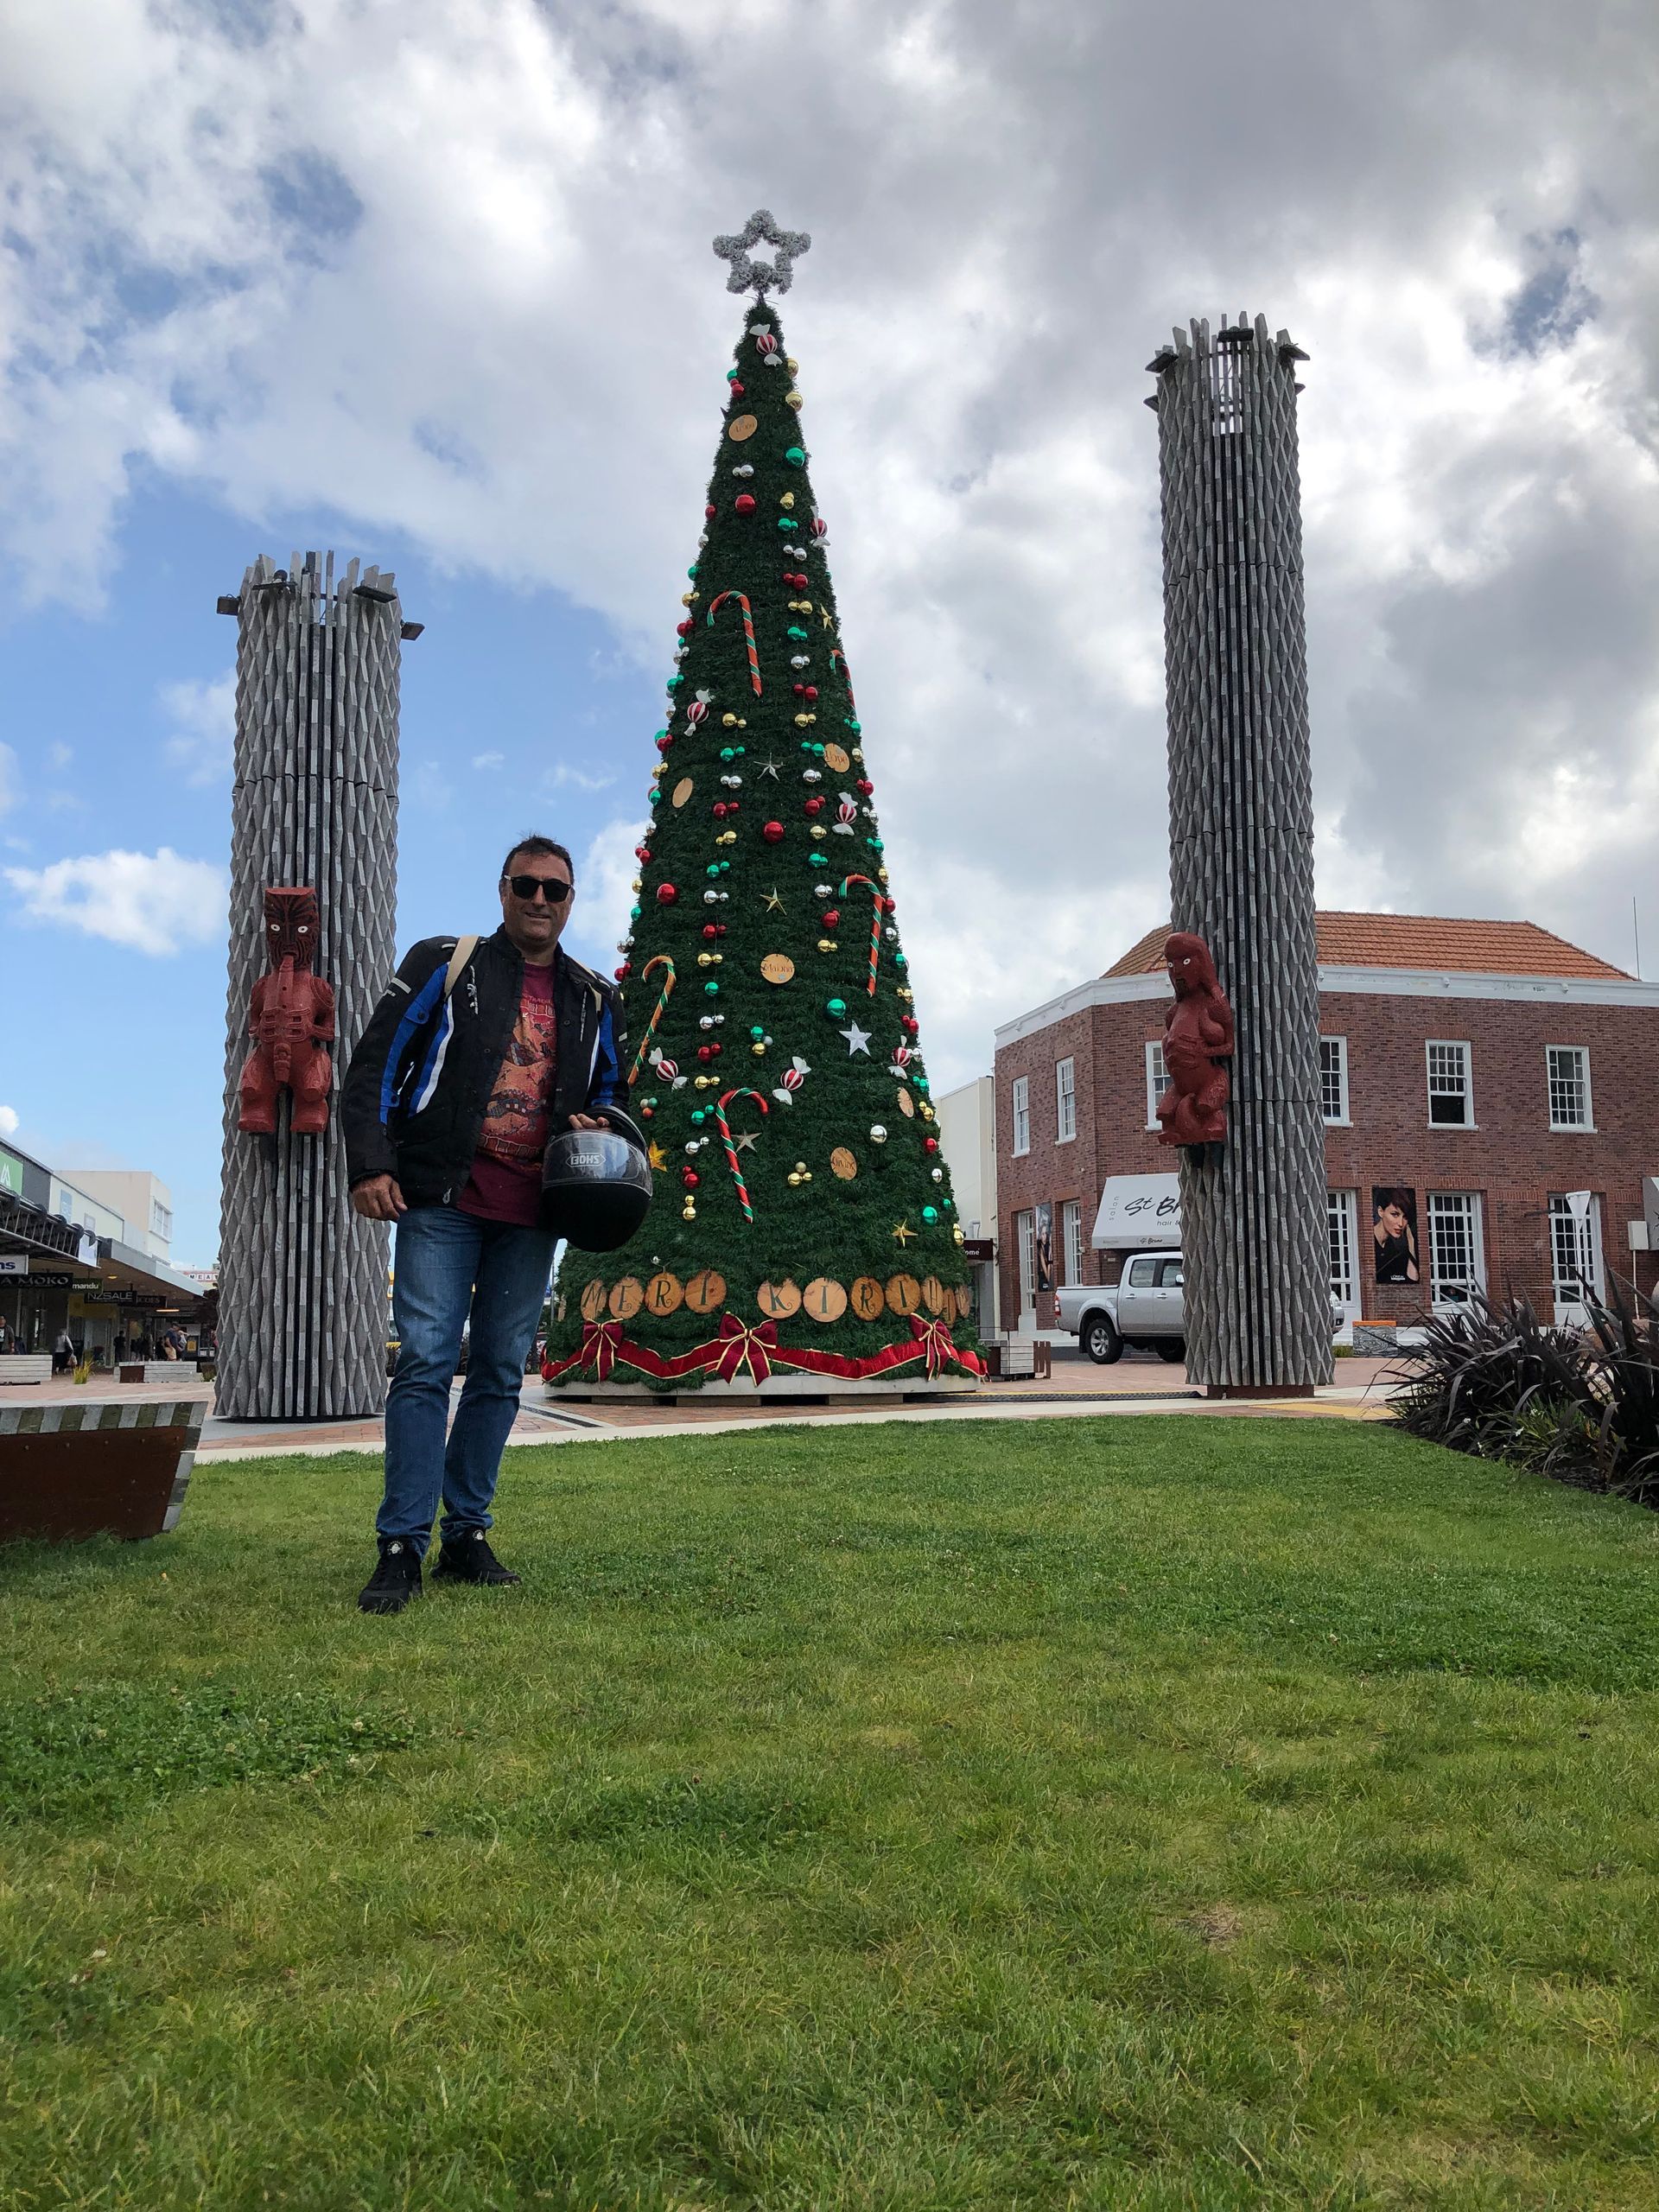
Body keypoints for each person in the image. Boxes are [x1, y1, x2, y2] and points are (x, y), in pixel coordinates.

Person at [342, 834, 627, 1616]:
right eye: (525, 885)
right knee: (427, 1360)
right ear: (502, 890)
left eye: (555, 891)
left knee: (501, 1370)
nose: (539, 901)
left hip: (535, 1209)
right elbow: (374, 1063)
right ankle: (402, 1543)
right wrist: (371, 1164)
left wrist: (600, 1116)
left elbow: (615, 1093)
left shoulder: (594, 996)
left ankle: (466, 1534)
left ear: (572, 901)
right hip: (439, 1197)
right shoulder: (445, 962)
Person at [1373, 1189, 1420, 1285]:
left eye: (1405, 1217)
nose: (1401, 1223)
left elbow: (1413, 1281)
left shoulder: (1395, 1250)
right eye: (1395, 1214)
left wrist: (1411, 1244)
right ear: (1381, 1211)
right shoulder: (1368, 1243)